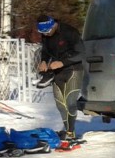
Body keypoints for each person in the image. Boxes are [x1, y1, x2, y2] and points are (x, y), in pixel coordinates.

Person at [36, 15, 85, 146]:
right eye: (42, 32)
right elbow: (45, 51)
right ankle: (68, 131)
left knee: (70, 102)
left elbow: (81, 53)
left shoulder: (70, 32)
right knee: (60, 104)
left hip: (73, 69)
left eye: (47, 31)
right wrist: (44, 61)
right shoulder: (45, 35)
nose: (45, 34)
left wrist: (62, 63)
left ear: (53, 25)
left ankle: (70, 132)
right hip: (57, 72)